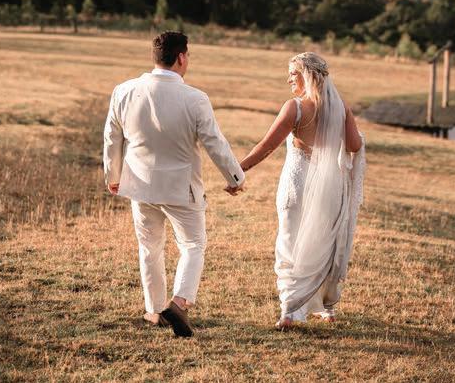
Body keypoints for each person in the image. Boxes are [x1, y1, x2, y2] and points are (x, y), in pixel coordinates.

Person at [103, 31, 245, 338]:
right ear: (181, 57)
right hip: (182, 188)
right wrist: (235, 178)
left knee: (149, 247)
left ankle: (154, 311)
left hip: (140, 184)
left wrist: (113, 176)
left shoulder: (123, 90)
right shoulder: (195, 98)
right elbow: (215, 143)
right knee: (193, 245)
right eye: (188, 55)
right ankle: (179, 303)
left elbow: (112, 137)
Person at [239, 51, 365, 330]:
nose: (288, 80)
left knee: (289, 242)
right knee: (322, 244)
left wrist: (239, 170)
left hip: (296, 184)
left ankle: (290, 310)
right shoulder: (341, 108)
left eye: (292, 74)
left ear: (307, 76)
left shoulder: (294, 107)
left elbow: (267, 146)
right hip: (329, 189)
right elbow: (354, 146)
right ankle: (325, 307)